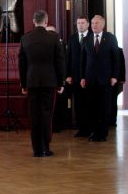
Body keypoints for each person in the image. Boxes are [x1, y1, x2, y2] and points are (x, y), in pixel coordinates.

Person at [18, 10, 65, 157]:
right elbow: (60, 61)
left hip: (32, 82)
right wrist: (61, 82)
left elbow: (22, 64)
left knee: (34, 115)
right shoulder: (53, 37)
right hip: (49, 82)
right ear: (46, 21)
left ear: (34, 21)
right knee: (46, 115)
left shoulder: (25, 38)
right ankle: (45, 147)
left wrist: (23, 84)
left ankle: (36, 149)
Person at [80, 15, 120, 142]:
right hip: (90, 79)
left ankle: (102, 133)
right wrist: (82, 77)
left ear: (102, 25)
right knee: (92, 107)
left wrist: (115, 76)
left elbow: (116, 58)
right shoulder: (86, 39)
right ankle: (94, 132)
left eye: (96, 23)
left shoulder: (110, 38)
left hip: (106, 79)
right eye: (92, 23)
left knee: (104, 107)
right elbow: (83, 60)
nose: (94, 25)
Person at [66, 17, 91, 137]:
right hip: (75, 77)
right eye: (78, 23)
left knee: (89, 103)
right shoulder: (72, 38)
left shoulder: (92, 37)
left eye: (82, 23)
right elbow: (68, 57)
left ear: (88, 24)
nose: (80, 25)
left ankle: (91, 128)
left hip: (89, 76)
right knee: (78, 104)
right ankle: (81, 129)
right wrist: (68, 75)